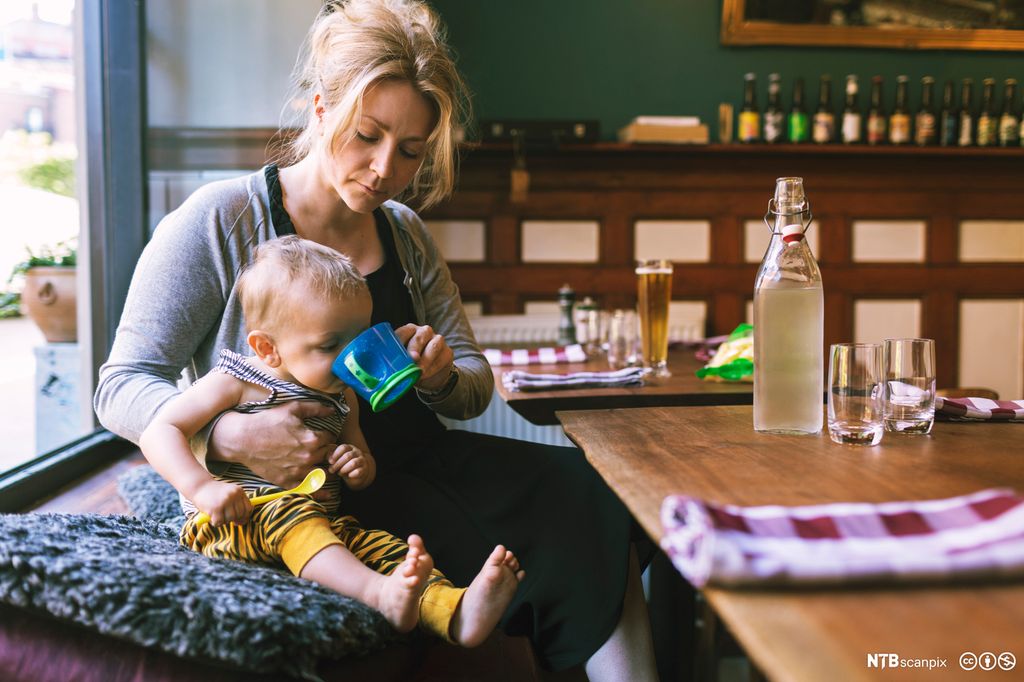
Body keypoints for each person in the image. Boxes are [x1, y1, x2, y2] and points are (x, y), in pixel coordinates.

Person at [95, 0, 658, 678]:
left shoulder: (404, 232)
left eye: (411, 151)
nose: (386, 168)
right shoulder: (222, 220)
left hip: (412, 459)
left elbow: (472, 385)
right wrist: (225, 436)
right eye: (367, 135)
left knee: (588, 489)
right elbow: (120, 385)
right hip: (306, 494)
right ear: (321, 110)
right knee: (558, 533)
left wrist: (442, 375)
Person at [138, 235, 523, 645]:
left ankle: (453, 612)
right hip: (232, 525)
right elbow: (159, 431)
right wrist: (203, 489)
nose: (348, 358)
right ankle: (378, 595)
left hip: (321, 526)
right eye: (329, 345)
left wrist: (358, 465)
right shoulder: (236, 381)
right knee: (292, 516)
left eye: (358, 338)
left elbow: (363, 464)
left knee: (383, 548)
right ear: (267, 348)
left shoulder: (343, 395)